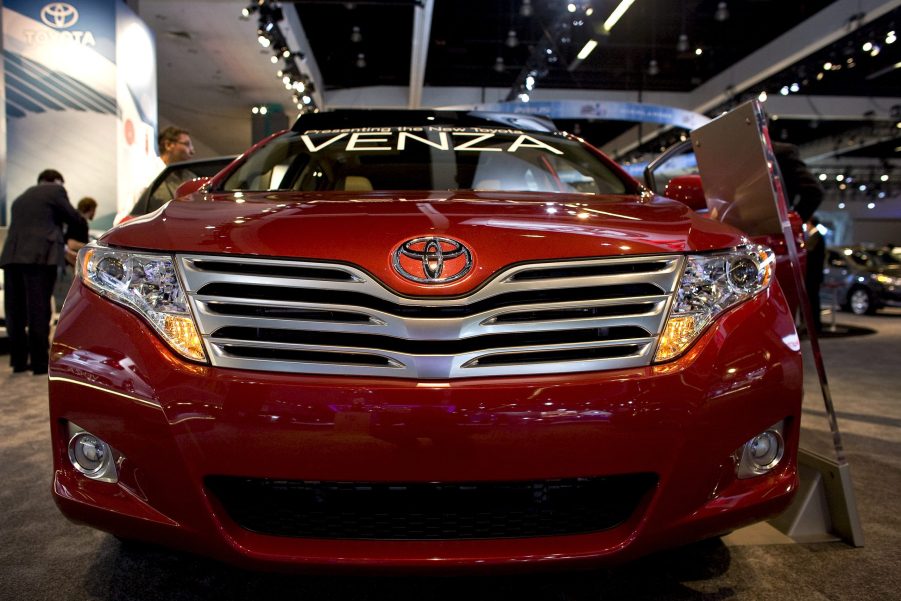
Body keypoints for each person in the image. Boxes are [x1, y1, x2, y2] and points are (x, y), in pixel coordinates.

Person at [1, 169, 85, 375]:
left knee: (15, 311)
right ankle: (39, 363)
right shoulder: (55, 190)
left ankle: (18, 361)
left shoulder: (22, 197)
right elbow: (75, 218)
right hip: (39, 257)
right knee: (38, 309)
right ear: (56, 181)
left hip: (12, 256)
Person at [772, 141, 824, 222]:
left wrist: (792, 222)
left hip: (771, 227)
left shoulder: (781, 152)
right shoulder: (777, 150)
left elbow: (814, 191)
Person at [148, 126, 197, 209]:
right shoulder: (148, 173)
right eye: (187, 144)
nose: (192, 151)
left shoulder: (191, 177)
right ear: (168, 145)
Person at [804, 217, 826, 333]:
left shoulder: (815, 236)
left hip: (812, 276)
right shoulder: (816, 236)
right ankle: (814, 325)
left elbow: (809, 251)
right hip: (814, 275)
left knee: (812, 300)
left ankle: (815, 326)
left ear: (810, 224)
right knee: (813, 300)